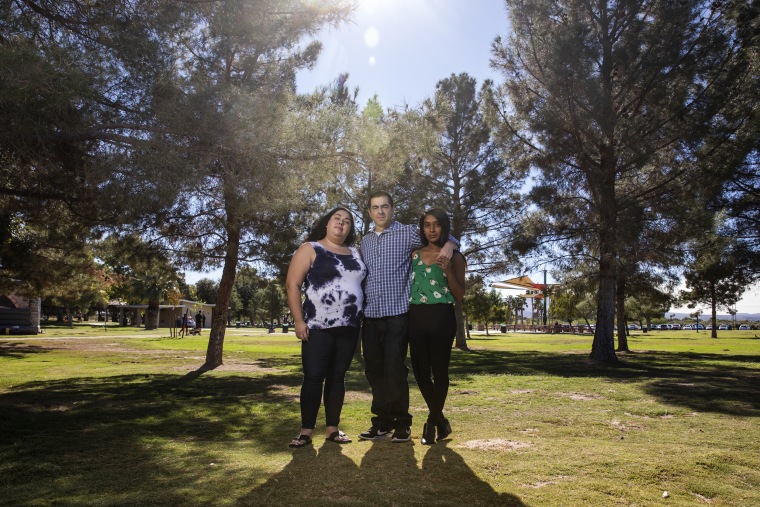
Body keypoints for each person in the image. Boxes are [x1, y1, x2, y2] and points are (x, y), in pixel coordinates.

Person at [358, 191, 457, 443]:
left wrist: (449, 244)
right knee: (374, 371)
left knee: (394, 369)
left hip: (398, 314)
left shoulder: (408, 232)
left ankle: (402, 423)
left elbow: (440, 233)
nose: (380, 211)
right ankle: (381, 422)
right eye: (375, 207)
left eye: (385, 207)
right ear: (369, 212)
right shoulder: (365, 241)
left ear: (392, 209)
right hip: (370, 315)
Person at [285, 206, 367, 448]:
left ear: (350, 228)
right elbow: (292, 285)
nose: (341, 224)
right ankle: (306, 431)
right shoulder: (310, 248)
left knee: (337, 378)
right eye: (336, 219)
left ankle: (333, 428)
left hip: (350, 326)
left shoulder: (355, 252)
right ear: (326, 223)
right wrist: (299, 321)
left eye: (347, 221)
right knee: (313, 378)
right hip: (317, 326)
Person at [408, 209, 465, 445]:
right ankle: (440, 419)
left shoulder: (455, 257)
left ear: (444, 227)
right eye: (427, 225)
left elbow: (459, 294)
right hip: (416, 316)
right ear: (422, 228)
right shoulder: (413, 255)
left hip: (442, 316)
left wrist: (448, 271)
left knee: (439, 372)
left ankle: (431, 423)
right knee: (421, 373)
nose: (431, 230)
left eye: (437, 225)